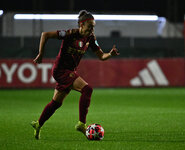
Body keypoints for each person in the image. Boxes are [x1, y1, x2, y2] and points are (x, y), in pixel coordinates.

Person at [31, 10, 119, 140]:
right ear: (81, 25)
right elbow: (45, 34)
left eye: (93, 27)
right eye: (90, 27)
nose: (92, 29)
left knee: (56, 103)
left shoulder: (90, 38)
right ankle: (81, 124)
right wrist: (40, 54)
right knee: (87, 89)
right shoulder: (69, 34)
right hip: (60, 71)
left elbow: (101, 56)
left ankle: (38, 124)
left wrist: (110, 54)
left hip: (70, 71)